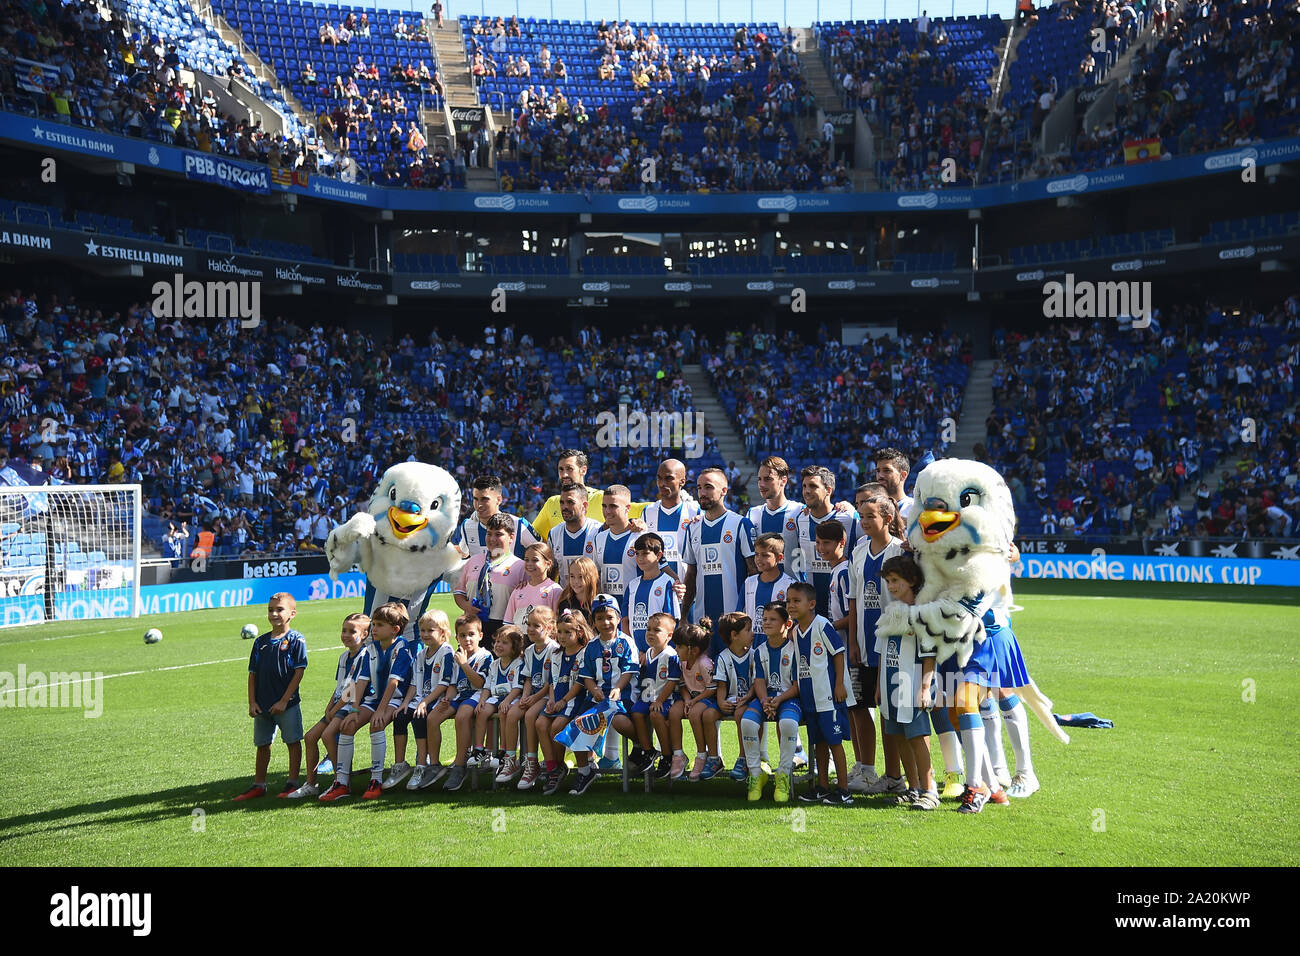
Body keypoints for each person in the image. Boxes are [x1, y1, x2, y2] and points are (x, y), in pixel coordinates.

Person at [847, 491, 908, 795]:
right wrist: (854, 641)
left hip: (891, 646)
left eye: (871, 516)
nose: (864, 521)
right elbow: (854, 601)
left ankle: (894, 774)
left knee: (887, 711)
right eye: (861, 516)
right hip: (862, 643)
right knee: (859, 706)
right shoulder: (858, 551)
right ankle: (867, 769)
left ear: (887, 517)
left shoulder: (899, 552)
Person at [319, 602, 412, 802]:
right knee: (347, 725)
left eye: (379, 625)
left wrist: (380, 710)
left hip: (395, 700)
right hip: (374, 699)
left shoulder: (401, 648)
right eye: (374, 624)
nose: (374, 629)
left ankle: (376, 780)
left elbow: (393, 683)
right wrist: (353, 709)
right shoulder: (372, 648)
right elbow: (361, 682)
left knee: (375, 725)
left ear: (395, 630)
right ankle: (342, 782)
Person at [877, 555, 940, 809]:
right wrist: (878, 686)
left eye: (896, 581)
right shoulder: (891, 612)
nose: (891, 586)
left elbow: (929, 656)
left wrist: (925, 688)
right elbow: (882, 649)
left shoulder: (923, 614)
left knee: (917, 736)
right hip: (890, 684)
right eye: (889, 581)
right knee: (898, 735)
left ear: (912, 581)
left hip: (912, 685)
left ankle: (930, 790)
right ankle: (913, 788)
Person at [235, 593, 308, 800]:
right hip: (263, 704)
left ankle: (292, 782)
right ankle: (259, 784)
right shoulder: (260, 642)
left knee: (292, 741)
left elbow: (299, 672)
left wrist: (285, 700)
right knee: (262, 744)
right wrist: (252, 702)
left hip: (287, 704)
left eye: (279, 610)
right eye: (270, 610)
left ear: (292, 614)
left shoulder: (296, 639)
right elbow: (252, 674)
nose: (274, 614)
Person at [287, 612, 368, 798]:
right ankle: (311, 784)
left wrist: (336, 708)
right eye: (343, 630)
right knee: (309, 737)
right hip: (338, 706)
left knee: (328, 735)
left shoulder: (364, 656)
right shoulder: (343, 657)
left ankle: (342, 781)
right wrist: (328, 706)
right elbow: (340, 686)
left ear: (364, 634)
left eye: (352, 631)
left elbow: (353, 689)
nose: (346, 635)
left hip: (350, 706)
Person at [787, 583, 853, 807]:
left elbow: (838, 653)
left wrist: (840, 685)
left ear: (811, 604)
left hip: (828, 697)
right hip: (809, 698)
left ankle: (844, 790)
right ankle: (822, 787)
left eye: (797, 601)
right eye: (788, 601)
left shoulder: (822, 625)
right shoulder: (795, 631)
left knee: (835, 743)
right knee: (818, 744)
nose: (791, 605)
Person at [567, 594, 639, 795]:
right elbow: (586, 675)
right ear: (594, 622)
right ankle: (585, 770)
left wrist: (617, 688)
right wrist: (594, 690)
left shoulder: (626, 642)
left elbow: (629, 670)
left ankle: (641, 747)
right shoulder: (591, 646)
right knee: (577, 725)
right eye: (600, 619)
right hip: (596, 698)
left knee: (621, 722)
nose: (605, 622)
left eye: (609, 617)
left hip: (622, 696)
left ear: (618, 618)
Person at [681, 467, 755, 658]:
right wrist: (683, 617)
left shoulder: (740, 524)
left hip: (735, 621)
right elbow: (691, 575)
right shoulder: (693, 528)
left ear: (724, 490)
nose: (702, 493)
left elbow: (753, 572)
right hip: (702, 619)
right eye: (698, 488)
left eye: (708, 487)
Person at [741, 601, 801, 802]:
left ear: (788, 624)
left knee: (788, 724)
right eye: (764, 619)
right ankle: (756, 775)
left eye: (773, 619)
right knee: (748, 723)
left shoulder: (794, 649)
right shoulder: (759, 651)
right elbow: (759, 681)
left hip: (788, 697)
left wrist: (778, 700)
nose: (766, 623)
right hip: (766, 698)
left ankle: (783, 775)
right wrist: (765, 699)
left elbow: (796, 685)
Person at [537, 608, 594, 794]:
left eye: (568, 632)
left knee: (556, 727)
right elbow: (552, 681)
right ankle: (554, 767)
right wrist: (552, 700)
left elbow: (579, 683)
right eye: (559, 631)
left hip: (574, 701)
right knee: (540, 723)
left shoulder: (584, 653)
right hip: (558, 699)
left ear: (579, 632)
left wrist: (563, 700)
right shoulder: (555, 654)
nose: (562, 636)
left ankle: (562, 768)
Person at [791, 466, 860, 616]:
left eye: (813, 486)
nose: (806, 491)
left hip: (844, 610)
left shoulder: (848, 518)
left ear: (828, 490)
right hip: (811, 608)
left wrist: (850, 507)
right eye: (804, 486)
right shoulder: (801, 519)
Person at [503, 605, 557, 788]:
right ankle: (510, 760)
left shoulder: (554, 650)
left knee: (530, 715)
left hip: (547, 695)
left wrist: (534, 698)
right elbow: (527, 679)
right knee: (511, 713)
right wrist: (526, 696)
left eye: (536, 625)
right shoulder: (528, 650)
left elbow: (552, 682)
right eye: (529, 624)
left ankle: (531, 763)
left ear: (549, 627)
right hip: (532, 695)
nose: (531, 629)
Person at [439, 614, 494, 792]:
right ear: (457, 638)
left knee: (462, 716)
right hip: (460, 696)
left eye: (471, 634)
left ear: (480, 635)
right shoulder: (457, 656)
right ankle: (430, 766)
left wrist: (464, 665)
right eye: (462, 635)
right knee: (432, 718)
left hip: (478, 695)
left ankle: (460, 765)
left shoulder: (485, 656)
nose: (467, 639)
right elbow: (454, 685)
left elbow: (480, 684)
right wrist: (447, 697)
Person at [403, 609, 455, 790]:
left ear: (442, 632)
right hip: (422, 698)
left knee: (420, 716)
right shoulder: (420, 654)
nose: (425, 634)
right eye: (422, 630)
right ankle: (404, 764)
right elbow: (413, 684)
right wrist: (405, 702)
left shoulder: (446, 651)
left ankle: (425, 763)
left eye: (430, 630)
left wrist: (424, 702)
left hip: (440, 699)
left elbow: (444, 683)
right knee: (402, 715)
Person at [453, 512, 526, 642]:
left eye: (498, 534)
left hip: (503, 631)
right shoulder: (473, 561)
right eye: (489, 533)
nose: (492, 539)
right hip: (472, 629)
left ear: (511, 537)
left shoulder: (520, 566)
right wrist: (467, 606)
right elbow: (459, 593)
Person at [630, 611, 682, 779]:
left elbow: (672, 681)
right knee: (636, 713)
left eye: (656, 630)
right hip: (648, 697)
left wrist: (660, 699)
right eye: (648, 629)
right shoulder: (647, 654)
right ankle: (649, 750)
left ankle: (667, 756)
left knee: (656, 716)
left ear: (669, 635)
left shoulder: (671, 655)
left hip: (666, 699)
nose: (650, 633)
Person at [467, 625, 524, 774]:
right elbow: (487, 687)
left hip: (512, 698)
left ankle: (504, 751)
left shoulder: (518, 663)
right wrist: (482, 701)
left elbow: (518, 688)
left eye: (504, 642)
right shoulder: (494, 664)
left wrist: (507, 701)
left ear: (515, 646)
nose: (499, 645)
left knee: (504, 711)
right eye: (497, 641)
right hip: (496, 697)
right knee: (481, 711)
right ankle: (479, 749)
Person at [711, 611, 757, 781]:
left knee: (740, 714)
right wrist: (721, 702)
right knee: (708, 715)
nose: (753, 633)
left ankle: (743, 758)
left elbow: (756, 684)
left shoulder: (754, 655)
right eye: (748, 630)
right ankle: (712, 758)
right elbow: (721, 685)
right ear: (734, 635)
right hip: (731, 700)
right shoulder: (722, 657)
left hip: (750, 700)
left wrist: (747, 698)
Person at [453, 474, 541, 560]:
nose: (479, 505)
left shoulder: (519, 525)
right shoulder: (467, 526)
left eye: (484, 499)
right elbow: (464, 552)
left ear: (499, 500)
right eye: (475, 499)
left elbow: (542, 553)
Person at [638, 458, 700, 576]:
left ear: (682, 481)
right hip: (655, 588)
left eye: (668, 478)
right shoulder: (648, 512)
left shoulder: (695, 512)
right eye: (659, 478)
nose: (662, 483)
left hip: (687, 588)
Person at [620, 532, 680, 653]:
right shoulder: (632, 585)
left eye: (645, 553)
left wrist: (654, 651)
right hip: (636, 653)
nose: (640, 558)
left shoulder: (667, 583)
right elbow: (625, 620)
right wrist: (635, 650)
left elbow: (671, 621)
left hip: (660, 653)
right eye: (637, 554)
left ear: (658, 555)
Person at [677, 617, 718, 780]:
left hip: (708, 698)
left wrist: (693, 701)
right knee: (675, 713)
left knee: (694, 714)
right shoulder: (682, 662)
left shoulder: (704, 663)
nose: (676, 650)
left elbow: (712, 689)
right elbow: (682, 686)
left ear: (692, 650)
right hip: (694, 699)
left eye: (679, 646)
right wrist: (687, 700)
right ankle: (677, 756)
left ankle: (702, 756)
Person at [546, 482, 602, 588]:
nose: (565, 507)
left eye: (570, 502)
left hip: (592, 600)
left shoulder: (598, 531)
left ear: (584, 505)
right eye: (562, 502)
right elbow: (550, 571)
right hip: (565, 600)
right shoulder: (554, 534)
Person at [593, 484, 640, 602]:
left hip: (634, 610)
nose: (607, 511)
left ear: (627, 508)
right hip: (607, 614)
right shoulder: (599, 538)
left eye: (613, 506)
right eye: (604, 506)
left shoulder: (640, 537)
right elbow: (595, 577)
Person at [503, 542, 563, 627]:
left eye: (535, 560)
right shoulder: (518, 590)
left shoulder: (555, 590)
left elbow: (557, 623)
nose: (529, 564)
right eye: (526, 560)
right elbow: (508, 623)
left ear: (548, 564)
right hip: (519, 639)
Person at [743, 532, 797, 625]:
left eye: (765, 555)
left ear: (779, 557)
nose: (758, 559)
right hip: (753, 639)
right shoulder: (749, 582)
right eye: (756, 554)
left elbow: (795, 619)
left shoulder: (791, 585)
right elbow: (740, 612)